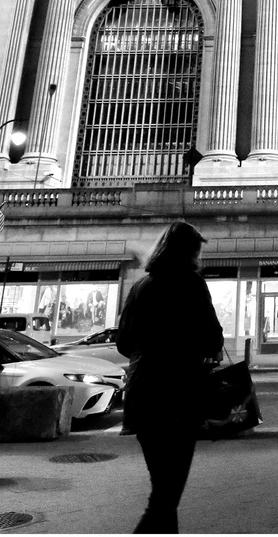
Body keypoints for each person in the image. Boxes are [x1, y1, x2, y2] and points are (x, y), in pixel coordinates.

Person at [117, 220, 223, 533]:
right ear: (189, 251)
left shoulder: (141, 285)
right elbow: (213, 337)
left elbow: (124, 343)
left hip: (142, 396)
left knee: (164, 493)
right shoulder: (191, 283)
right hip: (178, 398)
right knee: (164, 498)